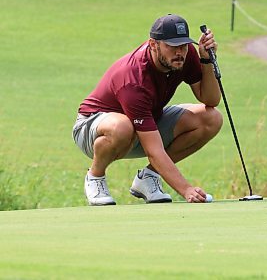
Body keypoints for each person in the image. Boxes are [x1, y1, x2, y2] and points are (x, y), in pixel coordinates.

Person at [72, 14, 222, 205]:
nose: (180, 52)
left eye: (183, 45)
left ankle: (148, 178)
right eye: (172, 46)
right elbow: (153, 149)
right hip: (92, 127)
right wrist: (186, 190)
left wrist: (206, 60)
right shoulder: (134, 79)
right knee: (123, 127)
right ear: (153, 44)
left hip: (144, 122)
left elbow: (210, 99)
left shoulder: (186, 55)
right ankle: (95, 177)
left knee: (211, 118)